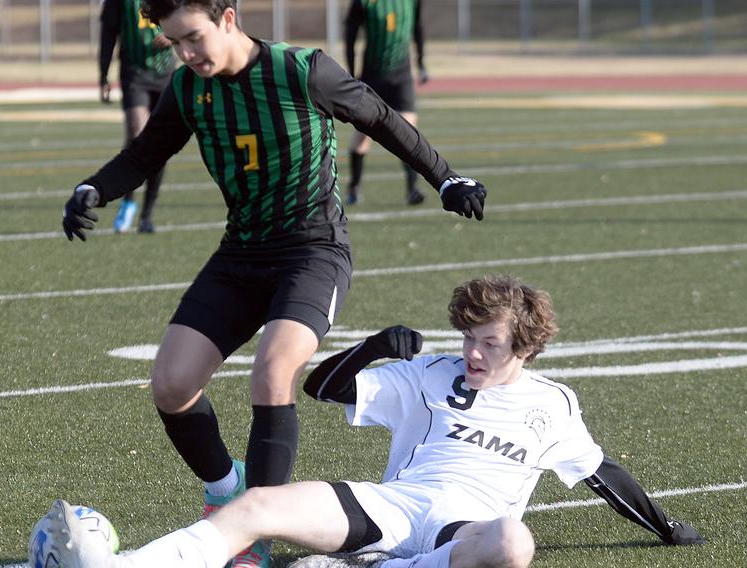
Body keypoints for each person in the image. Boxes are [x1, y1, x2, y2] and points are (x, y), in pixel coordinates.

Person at [62, 0, 487, 565]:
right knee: (170, 384)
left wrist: (445, 176)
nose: (186, 54)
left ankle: (252, 534)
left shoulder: (301, 70)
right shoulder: (189, 88)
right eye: (174, 44)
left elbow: (380, 117)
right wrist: (93, 190)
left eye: (193, 38)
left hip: (312, 253)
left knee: (273, 371)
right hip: (240, 255)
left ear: (229, 18)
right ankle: (224, 492)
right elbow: (144, 154)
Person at [38, 275, 705, 568]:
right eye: (468, 337)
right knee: (258, 503)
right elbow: (322, 387)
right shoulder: (432, 371)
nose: (472, 352)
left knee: (513, 544)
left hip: (462, 532)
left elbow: (602, 473)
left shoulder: (552, 404)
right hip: (391, 508)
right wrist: (375, 348)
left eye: (489, 343)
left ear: (526, 348)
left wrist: (667, 528)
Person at [99, 0, 176, 233]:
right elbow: (108, 33)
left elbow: (194, 18)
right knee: (137, 134)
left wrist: (173, 37)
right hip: (134, 73)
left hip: (164, 73)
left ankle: (147, 214)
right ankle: (128, 199)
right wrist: (102, 75)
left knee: (160, 143)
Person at [343, 0, 428, 206]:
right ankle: (354, 186)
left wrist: (421, 62)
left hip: (402, 76)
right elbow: (350, 36)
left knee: (408, 130)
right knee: (364, 135)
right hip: (373, 76)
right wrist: (353, 75)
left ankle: (412, 189)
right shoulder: (363, 3)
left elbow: (417, 26)